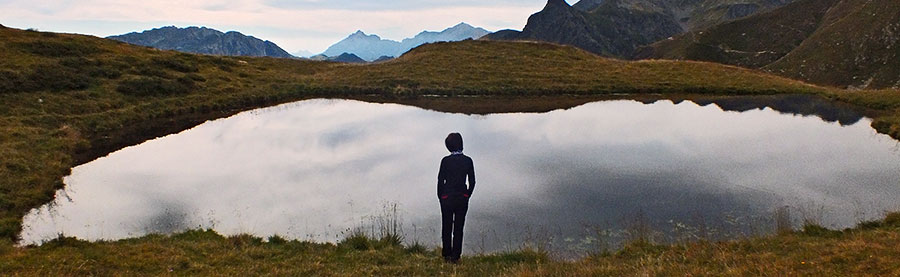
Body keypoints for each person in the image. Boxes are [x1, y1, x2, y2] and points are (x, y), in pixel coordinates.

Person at [437, 132, 475, 264]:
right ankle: (456, 256)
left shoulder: (445, 161)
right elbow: (472, 181)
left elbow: (440, 180)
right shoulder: (468, 161)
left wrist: (440, 197)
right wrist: (467, 195)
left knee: (446, 226)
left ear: (448, 146)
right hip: (461, 198)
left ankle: (446, 254)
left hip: (447, 197)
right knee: (458, 227)